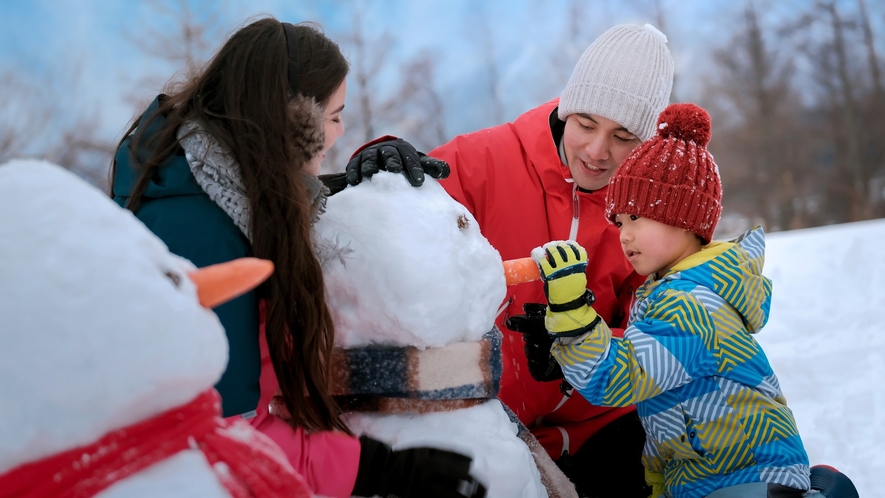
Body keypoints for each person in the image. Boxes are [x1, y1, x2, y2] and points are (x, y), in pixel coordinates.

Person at [110, 17, 482, 498]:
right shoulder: (205, 241)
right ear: (291, 122)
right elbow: (221, 436)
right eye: (333, 116)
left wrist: (361, 176)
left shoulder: (207, 186)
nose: (340, 130)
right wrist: (378, 469)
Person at [425, 24, 675, 497]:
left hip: (604, 428)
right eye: (585, 124)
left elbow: (660, 334)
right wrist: (382, 157)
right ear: (566, 108)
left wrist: (583, 347)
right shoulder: (488, 160)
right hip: (491, 425)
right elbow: (392, 210)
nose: (597, 152)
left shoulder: (653, 215)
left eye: (623, 137)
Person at [533, 103, 812, 498]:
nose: (623, 236)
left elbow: (618, 379)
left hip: (746, 479)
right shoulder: (676, 291)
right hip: (714, 481)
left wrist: (572, 316)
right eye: (620, 222)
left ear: (683, 217)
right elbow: (669, 414)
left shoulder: (692, 303)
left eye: (636, 218)